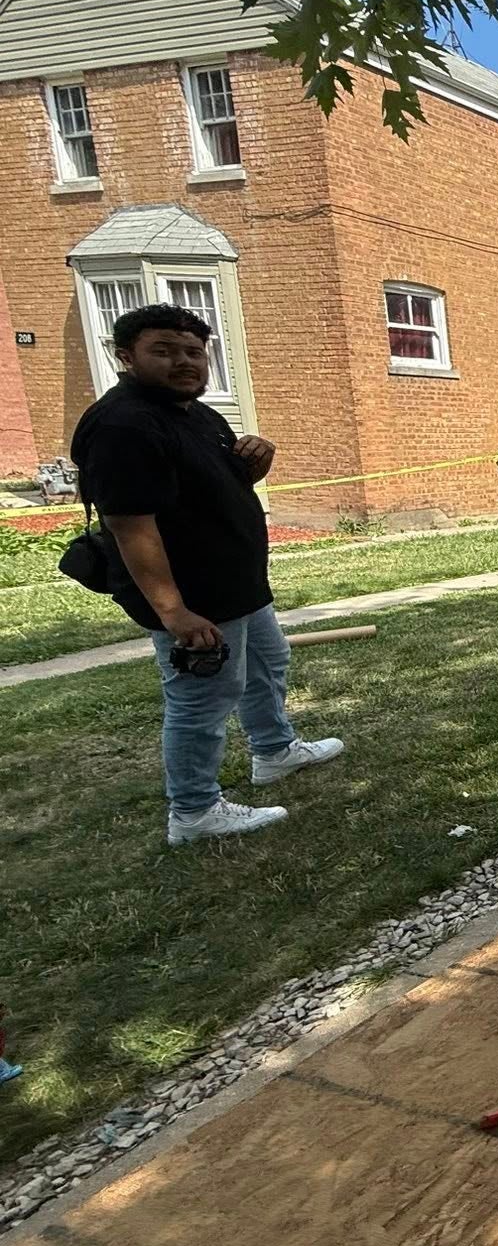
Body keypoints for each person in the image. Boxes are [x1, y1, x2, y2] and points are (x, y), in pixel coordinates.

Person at [72, 305, 344, 846]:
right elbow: (131, 525)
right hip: (194, 595)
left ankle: (273, 751)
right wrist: (175, 612)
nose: (183, 362)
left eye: (193, 351)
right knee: (202, 700)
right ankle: (194, 811)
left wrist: (254, 462)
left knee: (268, 664)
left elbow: (215, 488)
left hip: (237, 585)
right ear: (125, 357)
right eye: (164, 350)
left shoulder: (196, 413)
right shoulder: (123, 424)